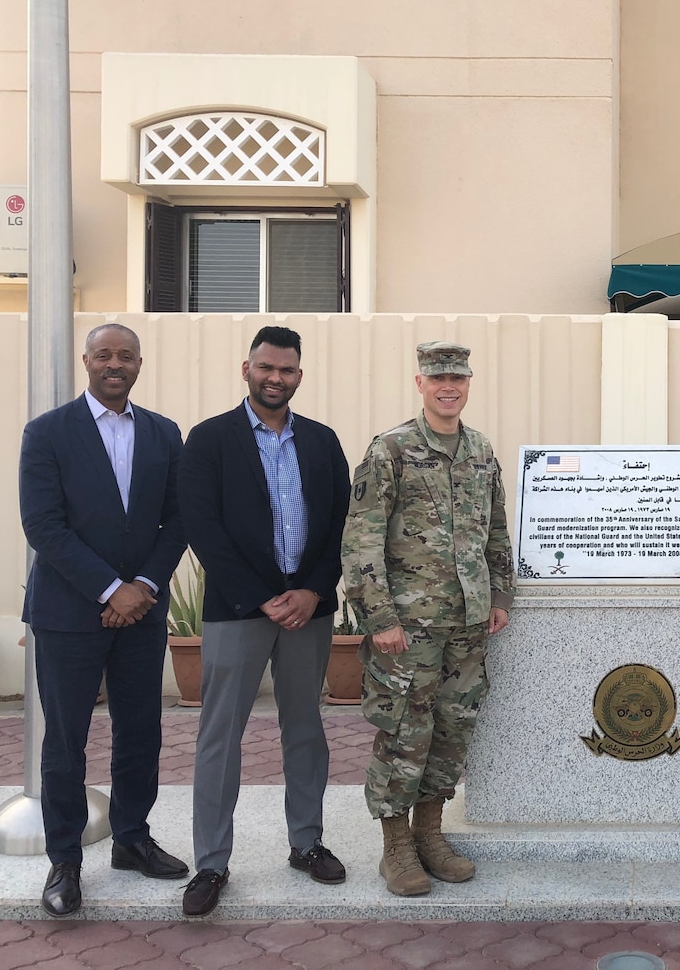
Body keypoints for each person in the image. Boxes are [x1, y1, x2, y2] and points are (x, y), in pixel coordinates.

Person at [175, 326, 351, 917]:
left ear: (300, 375)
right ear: (245, 369)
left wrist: (310, 589)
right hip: (237, 610)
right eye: (266, 368)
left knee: (306, 728)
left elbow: (339, 527)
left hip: (309, 610)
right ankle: (211, 863)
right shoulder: (209, 439)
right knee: (220, 737)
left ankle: (307, 844)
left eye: (288, 370)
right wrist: (260, 596)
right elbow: (202, 527)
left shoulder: (323, 442)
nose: (276, 378)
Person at [19, 323, 190, 918]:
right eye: (104, 355)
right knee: (66, 740)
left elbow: (179, 520)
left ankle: (132, 838)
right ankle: (64, 859)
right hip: (69, 612)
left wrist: (141, 587)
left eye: (126, 356)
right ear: (87, 361)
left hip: (141, 612)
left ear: (139, 364)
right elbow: (43, 525)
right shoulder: (47, 433)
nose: (114, 364)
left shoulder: (164, 433)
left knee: (140, 729)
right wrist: (109, 588)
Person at [341, 341, 514, 897]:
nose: (448, 387)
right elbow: (361, 538)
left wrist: (500, 595)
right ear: (420, 384)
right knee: (403, 732)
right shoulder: (390, 449)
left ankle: (431, 834)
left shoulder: (480, 451)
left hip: (466, 624)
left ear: (468, 384)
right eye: (438, 378)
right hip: (407, 628)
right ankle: (396, 847)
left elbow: (495, 529)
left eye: (458, 379)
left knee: (451, 728)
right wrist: (379, 617)